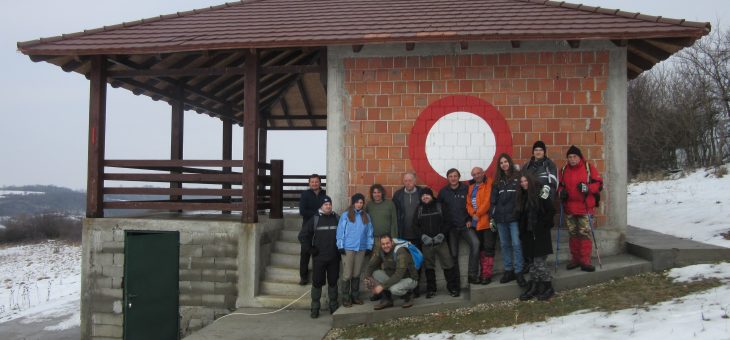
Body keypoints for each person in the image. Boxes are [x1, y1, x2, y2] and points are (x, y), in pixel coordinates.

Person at [558, 145, 603, 272]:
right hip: (570, 208)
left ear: (579, 157)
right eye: (570, 157)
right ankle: (576, 259)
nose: (572, 159)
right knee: (573, 234)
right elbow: (560, 186)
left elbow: (599, 184)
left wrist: (588, 188)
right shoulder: (563, 170)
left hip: (585, 207)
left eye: (574, 156)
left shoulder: (589, 168)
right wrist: (561, 192)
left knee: (584, 234)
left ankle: (585, 260)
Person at [438, 168, 479, 296]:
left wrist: (469, 219)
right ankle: (456, 286)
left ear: (459, 177)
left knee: (476, 244)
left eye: (455, 176)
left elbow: (472, 205)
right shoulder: (443, 192)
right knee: (453, 256)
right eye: (450, 176)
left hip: (465, 225)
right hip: (452, 229)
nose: (453, 178)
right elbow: (439, 211)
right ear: (448, 178)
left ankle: (472, 275)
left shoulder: (466, 189)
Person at [515, 173, 556, 301]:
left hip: (540, 234)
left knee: (539, 263)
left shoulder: (541, 193)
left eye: (525, 181)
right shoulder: (522, 196)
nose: (523, 184)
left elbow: (550, 211)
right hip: (528, 235)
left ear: (531, 181)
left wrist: (542, 226)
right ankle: (534, 286)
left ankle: (548, 287)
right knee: (532, 264)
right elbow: (520, 216)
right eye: (521, 182)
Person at [412, 188, 458, 298]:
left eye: (427, 195)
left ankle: (452, 288)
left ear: (431, 196)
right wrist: (423, 237)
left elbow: (448, 222)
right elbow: (414, 225)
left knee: (448, 265)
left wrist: (442, 234)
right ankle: (431, 290)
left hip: (441, 242)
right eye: (423, 196)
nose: (425, 197)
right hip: (427, 243)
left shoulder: (440, 206)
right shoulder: (419, 208)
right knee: (429, 267)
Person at [299, 196, 340, 318]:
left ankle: (333, 306)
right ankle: (315, 308)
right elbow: (302, 236)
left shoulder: (337, 218)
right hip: (319, 258)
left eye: (329, 204)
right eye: (325, 204)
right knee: (317, 283)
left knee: (333, 282)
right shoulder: (315, 219)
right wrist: (310, 249)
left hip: (334, 258)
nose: (328, 206)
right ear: (321, 206)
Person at [489, 154, 526, 287]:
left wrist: (519, 211)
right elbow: (493, 201)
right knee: (505, 246)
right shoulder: (497, 181)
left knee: (516, 244)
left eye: (506, 162)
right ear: (499, 166)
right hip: (500, 219)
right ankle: (509, 271)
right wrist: (492, 216)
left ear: (510, 162)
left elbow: (524, 195)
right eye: (501, 163)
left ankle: (519, 271)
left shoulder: (518, 176)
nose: (504, 164)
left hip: (514, 218)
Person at [522, 141, 558, 274]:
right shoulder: (527, 166)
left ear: (544, 152)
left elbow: (553, 183)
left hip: (542, 208)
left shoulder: (549, 165)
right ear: (533, 152)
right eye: (536, 149)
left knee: (541, 241)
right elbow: (522, 184)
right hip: (529, 208)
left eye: (540, 150)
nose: (538, 152)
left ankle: (542, 274)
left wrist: (546, 198)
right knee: (530, 239)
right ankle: (533, 270)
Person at [336, 193, 374, 307]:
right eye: (357, 202)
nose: (359, 204)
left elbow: (369, 233)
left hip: (361, 248)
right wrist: (340, 245)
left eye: (361, 202)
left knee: (357, 273)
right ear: (353, 203)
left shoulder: (366, 216)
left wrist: (369, 246)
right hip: (348, 248)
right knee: (347, 274)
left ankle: (355, 296)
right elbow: (340, 231)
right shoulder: (346, 215)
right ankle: (346, 298)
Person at [365, 235, 419, 310]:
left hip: (409, 279)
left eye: (387, 243)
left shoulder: (400, 251)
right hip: (394, 277)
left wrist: (382, 286)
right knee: (375, 273)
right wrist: (367, 278)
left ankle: (409, 296)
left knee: (394, 289)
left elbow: (399, 275)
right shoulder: (380, 250)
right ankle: (387, 300)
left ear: (392, 242)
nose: (385, 246)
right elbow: (371, 265)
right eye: (383, 244)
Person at [364, 184, 398, 301]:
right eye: (374, 192)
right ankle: (377, 292)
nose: (377, 194)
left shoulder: (390, 204)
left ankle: (387, 293)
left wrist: (394, 239)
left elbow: (394, 222)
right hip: (374, 240)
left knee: (386, 266)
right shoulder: (369, 206)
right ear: (372, 194)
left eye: (379, 192)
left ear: (382, 193)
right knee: (374, 266)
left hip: (387, 240)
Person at [392, 171, 424, 296]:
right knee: (404, 263)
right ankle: (407, 288)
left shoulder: (422, 193)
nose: (408, 183)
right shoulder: (398, 195)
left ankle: (415, 288)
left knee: (417, 262)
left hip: (418, 235)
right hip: (403, 236)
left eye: (410, 180)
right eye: (405, 180)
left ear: (415, 181)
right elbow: (395, 216)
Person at [466, 166, 497, 285]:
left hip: (488, 222)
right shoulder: (471, 187)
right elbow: (468, 203)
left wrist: (477, 213)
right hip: (476, 223)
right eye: (474, 174)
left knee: (489, 249)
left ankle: (487, 275)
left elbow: (488, 201)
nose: (476, 176)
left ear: (483, 173)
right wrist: (473, 214)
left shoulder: (489, 183)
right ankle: (482, 273)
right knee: (481, 249)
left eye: (478, 173)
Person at [298, 174, 327, 285]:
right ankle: (303, 277)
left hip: (321, 226)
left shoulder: (325, 194)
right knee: (305, 251)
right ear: (309, 183)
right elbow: (302, 211)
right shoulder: (305, 194)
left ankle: (317, 275)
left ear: (320, 182)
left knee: (318, 251)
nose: (314, 183)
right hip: (308, 226)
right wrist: (318, 213)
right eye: (312, 182)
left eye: (316, 181)